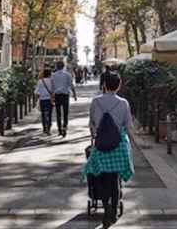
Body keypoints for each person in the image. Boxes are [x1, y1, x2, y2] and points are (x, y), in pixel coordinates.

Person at [86, 72, 135, 228]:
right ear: (119, 85)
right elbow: (128, 126)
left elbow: (92, 124)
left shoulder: (96, 102)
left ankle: (106, 205)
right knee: (114, 178)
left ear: (104, 85)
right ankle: (113, 210)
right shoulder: (124, 103)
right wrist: (135, 143)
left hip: (101, 145)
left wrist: (95, 135)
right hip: (118, 146)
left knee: (102, 176)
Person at [51, 61, 77, 137]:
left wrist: (52, 96)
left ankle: (59, 129)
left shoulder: (53, 75)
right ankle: (64, 127)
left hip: (57, 96)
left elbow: (52, 87)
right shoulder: (68, 74)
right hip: (65, 95)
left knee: (58, 113)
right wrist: (74, 95)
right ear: (63, 66)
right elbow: (71, 85)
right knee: (65, 113)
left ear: (56, 66)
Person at [34, 69, 54, 135]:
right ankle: (49, 128)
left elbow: (36, 91)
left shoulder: (40, 81)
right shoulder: (51, 81)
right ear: (49, 74)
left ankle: (44, 128)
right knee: (49, 114)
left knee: (43, 114)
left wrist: (36, 100)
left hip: (42, 99)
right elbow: (54, 90)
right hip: (49, 99)